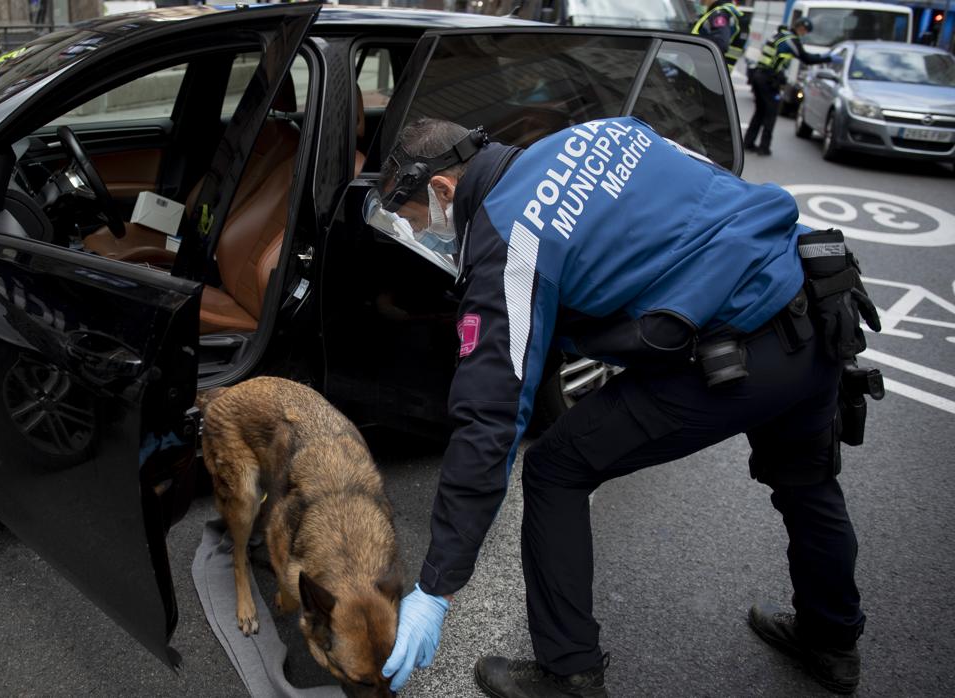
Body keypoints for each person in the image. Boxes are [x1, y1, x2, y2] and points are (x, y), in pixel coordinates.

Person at [367, 116, 880, 696]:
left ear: (442, 191)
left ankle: (570, 673)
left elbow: (490, 414)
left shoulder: (514, 233)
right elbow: (707, 190)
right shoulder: (602, 130)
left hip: (737, 351)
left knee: (555, 468)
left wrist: (437, 586)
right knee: (807, 484)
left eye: (414, 223)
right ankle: (832, 641)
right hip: (815, 301)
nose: (427, 235)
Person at [744, 17, 830, 156]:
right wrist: (827, 58)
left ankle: (748, 143)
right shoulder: (791, 40)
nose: (804, 34)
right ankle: (764, 147)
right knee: (771, 112)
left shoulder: (780, 35)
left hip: (759, 75)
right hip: (769, 79)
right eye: (805, 31)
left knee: (760, 111)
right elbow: (806, 58)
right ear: (801, 27)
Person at [690, 0, 746, 74]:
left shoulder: (720, 14)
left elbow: (720, 43)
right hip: (715, 75)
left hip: (706, 74)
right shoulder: (726, 11)